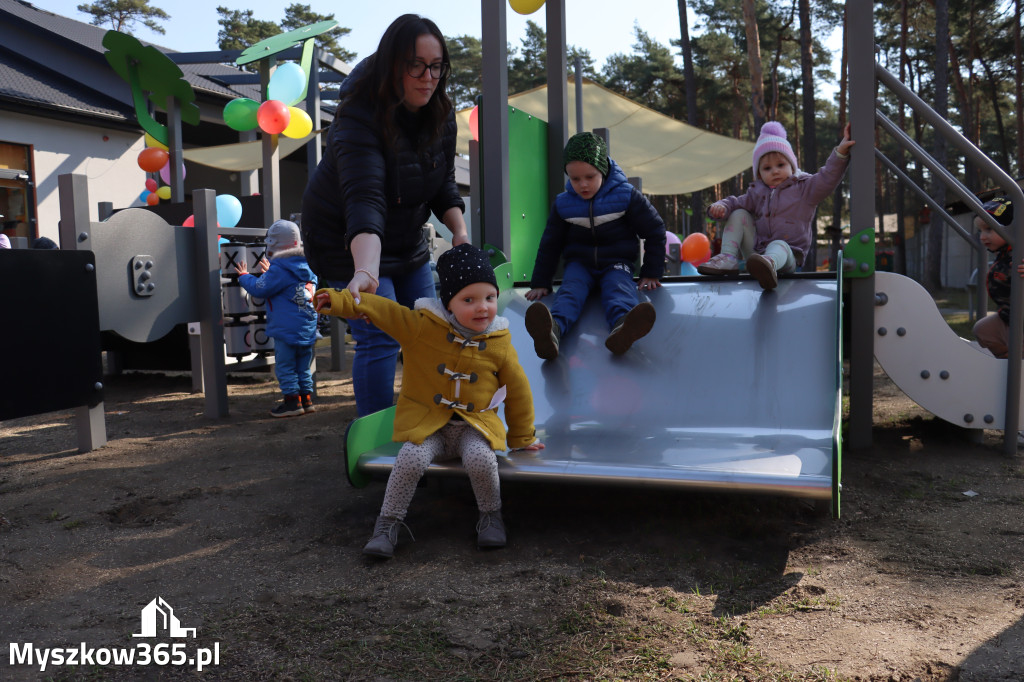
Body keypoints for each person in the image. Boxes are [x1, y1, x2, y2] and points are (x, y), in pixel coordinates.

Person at [314, 243, 543, 558]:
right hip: (429, 426)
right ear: (448, 304)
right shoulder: (422, 327)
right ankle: (387, 525)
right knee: (408, 459)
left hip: (473, 428)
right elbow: (382, 309)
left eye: (490, 298)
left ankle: (491, 517)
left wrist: (522, 437)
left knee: (481, 460)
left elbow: (519, 391)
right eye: (469, 300)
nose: (483, 308)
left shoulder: (498, 342)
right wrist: (339, 300)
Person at [300, 14, 469, 418]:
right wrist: (366, 272)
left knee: (429, 330)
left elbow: (442, 182)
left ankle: (431, 422)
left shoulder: (441, 113)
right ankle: (376, 443)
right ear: (394, 64)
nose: (428, 77)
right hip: (345, 241)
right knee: (381, 336)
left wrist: (460, 233)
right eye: (416, 65)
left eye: (436, 66)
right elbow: (365, 199)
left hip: (405, 239)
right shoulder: (358, 117)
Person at [524, 132, 667, 360]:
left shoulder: (625, 196)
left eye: (590, 177)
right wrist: (541, 282)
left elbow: (655, 230)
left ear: (603, 170)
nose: (583, 185)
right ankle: (552, 331)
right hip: (580, 264)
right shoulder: (564, 203)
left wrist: (651, 272)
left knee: (618, 288)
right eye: (575, 179)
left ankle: (623, 328)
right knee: (570, 291)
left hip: (617, 262)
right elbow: (550, 243)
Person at [698, 121, 856, 290]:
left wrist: (840, 153)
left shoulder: (804, 188)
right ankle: (728, 258)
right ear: (759, 174)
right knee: (738, 213)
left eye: (780, 165)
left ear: (792, 165)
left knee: (778, 245)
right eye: (767, 168)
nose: (775, 171)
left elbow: (827, 177)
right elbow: (736, 202)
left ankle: (769, 264)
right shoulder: (757, 192)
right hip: (758, 255)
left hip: (788, 256)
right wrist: (721, 206)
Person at [235, 220, 319, 418]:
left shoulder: (280, 269)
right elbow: (288, 286)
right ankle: (306, 399)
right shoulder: (309, 264)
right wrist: (270, 274)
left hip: (286, 329)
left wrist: (244, 276)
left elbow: (259, 288)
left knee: (285, 366)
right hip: (306, 326)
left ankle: (292, 402)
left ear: (273, 244)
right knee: (303, 365)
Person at [972, 197, 1023, 360]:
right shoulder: (1004, 252)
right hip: (1009, 316)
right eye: (980, 231)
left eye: (989, 229)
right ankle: (1007, 361)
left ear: (1013, 228)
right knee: (983, 329)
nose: (982, 237)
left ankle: (1018, 366)